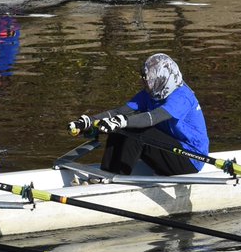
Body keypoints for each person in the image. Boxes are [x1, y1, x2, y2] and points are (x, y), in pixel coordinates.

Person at [71, 53, 208, 176]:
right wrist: (89, 121)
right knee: (118, 128)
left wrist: (123, 121)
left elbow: (154, 117)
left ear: (163, 79)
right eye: (145, 80)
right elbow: (119, 112)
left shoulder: (182, 97)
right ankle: (107, 173)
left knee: (138, 131)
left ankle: (117, 178)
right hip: (169, 149)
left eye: (150, 80)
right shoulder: (150, 94)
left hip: (190, 158)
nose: (146, 84)